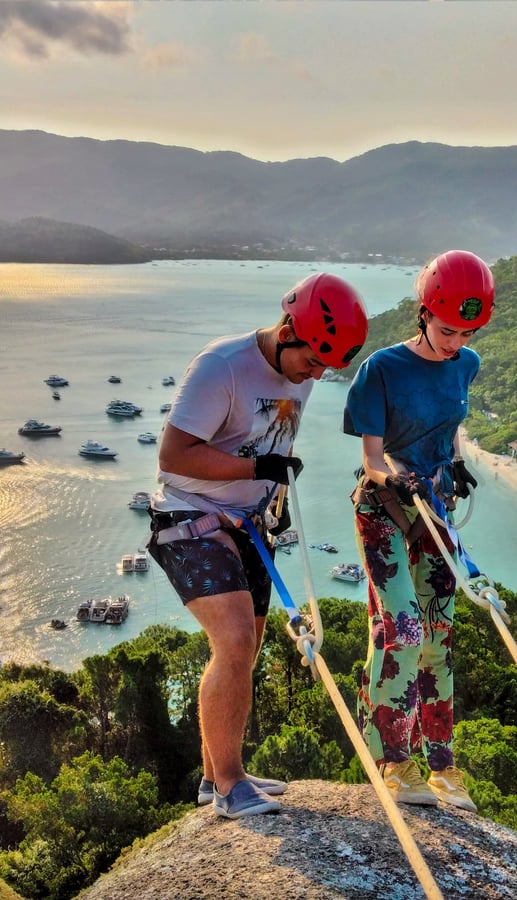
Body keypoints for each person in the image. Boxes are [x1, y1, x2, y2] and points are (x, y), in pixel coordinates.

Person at [148, 273, 368, 819]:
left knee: (247, 646)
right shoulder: (222, 367)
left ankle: (214, 776)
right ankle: (229, 786)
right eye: (313, 361)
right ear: (289, 329)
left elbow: (276, 433)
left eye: (324, 367)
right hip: (191, 515)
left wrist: (271, 486)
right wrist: (256, 467)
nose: (315, 374)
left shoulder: (307, 367)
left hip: (250, 521)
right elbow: (172, 456)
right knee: (237, 641)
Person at [344, 249, 495, 813]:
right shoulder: (381, 369)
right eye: (447, 328)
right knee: (401, 627)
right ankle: (393, 760)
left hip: (437, 509)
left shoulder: (466, 363)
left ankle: (442, 765)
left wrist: (454, 461)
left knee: (440, 639)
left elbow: (450, 426)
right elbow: (372, 460)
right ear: (424, 313)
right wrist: (400, 480)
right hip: (385, 510)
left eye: (467, 331)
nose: (456, 341)